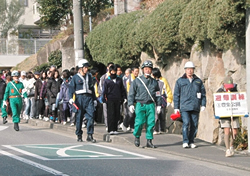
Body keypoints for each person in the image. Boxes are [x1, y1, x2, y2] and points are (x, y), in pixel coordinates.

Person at [128, 60, 161, 148]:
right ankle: (137, 137)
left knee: (151, 123)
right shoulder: (137, 81)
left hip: (150, 104)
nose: (147, 70)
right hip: (140, 104)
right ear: (142, 70)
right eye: (145, 69)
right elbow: (131, 93)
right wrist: (130, 104)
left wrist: (159, 105)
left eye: (149, 69)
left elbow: (158, 94)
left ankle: (149, 141)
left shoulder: (154, 82)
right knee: (139, 122)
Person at [173, 61, 206, 149]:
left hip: (195, 106)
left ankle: (191, 141)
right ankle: (185, 141)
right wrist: (176, 107)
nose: (189, 71)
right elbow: (176, 95)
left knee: (194, 124)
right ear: (185, 70)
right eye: (188, 69)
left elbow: (203, 93)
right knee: (186, 123)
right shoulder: (180, 81)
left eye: (191, 69)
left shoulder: (198, 81)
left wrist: (203, 104)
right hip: (184, 106)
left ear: (193, 70)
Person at [69, 59, 97, 143]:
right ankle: (79, 135)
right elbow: (71, 89)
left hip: (89, 98)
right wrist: (70, 98)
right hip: (79, 98)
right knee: (79, 118)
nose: (86, 69)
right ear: (80, 68)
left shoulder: (89, 77)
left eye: (87, 67)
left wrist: (94, 99)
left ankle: (90, 135)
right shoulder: (75, 78)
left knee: (91, 117)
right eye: (85, 67)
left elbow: (92, 88)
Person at [217, 75, 239, 157]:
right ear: (224, 84)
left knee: (235, 131)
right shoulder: (219, 92)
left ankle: (232, 145)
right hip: (224, 115)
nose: (229, 88)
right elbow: (215, 104)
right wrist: (217, 113)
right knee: (227, 130)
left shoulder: (235, 90)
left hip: (234, 114)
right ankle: (227, 149)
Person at [102, 65, 127, 134]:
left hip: (118, 99)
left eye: (114, 71)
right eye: (112, 71)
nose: (113, 72)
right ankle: (110, 129)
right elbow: (104, 91)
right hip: (110, 99)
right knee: (111, 114)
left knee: (117, 114)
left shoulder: (119, 80)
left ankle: (115, 129)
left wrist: (124, 97)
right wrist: (103, 99)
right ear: (110, 72)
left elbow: (122, 89)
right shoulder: (107, 80)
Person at [152, 68, 173, 134]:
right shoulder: (151, 80)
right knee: (155, 115)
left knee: (162, 115)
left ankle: (162, 129)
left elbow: (168, 90)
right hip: (154, 99)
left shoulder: (163, 80)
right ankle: (155, 129)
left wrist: (169, 100)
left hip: (162, 99)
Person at [120, 66, 139, 132]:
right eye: (136, 71)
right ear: (132, 71)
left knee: (133, 113)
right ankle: (125, 124)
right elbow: (130, 89)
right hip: (129, 97)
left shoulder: (136, 78)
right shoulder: (131, 78)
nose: (137, 73)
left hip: (134, 98)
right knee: (130, 113)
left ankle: (132, 126)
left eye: (138, 71)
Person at [98, 62, 114, 130]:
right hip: (106, 97)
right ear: (107, 68)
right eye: (110, 67)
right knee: (106, 111)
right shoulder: (103, 77)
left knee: (114, 111)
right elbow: (101, 87)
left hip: (114, 97)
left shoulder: (116, 77)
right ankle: (108, 125)